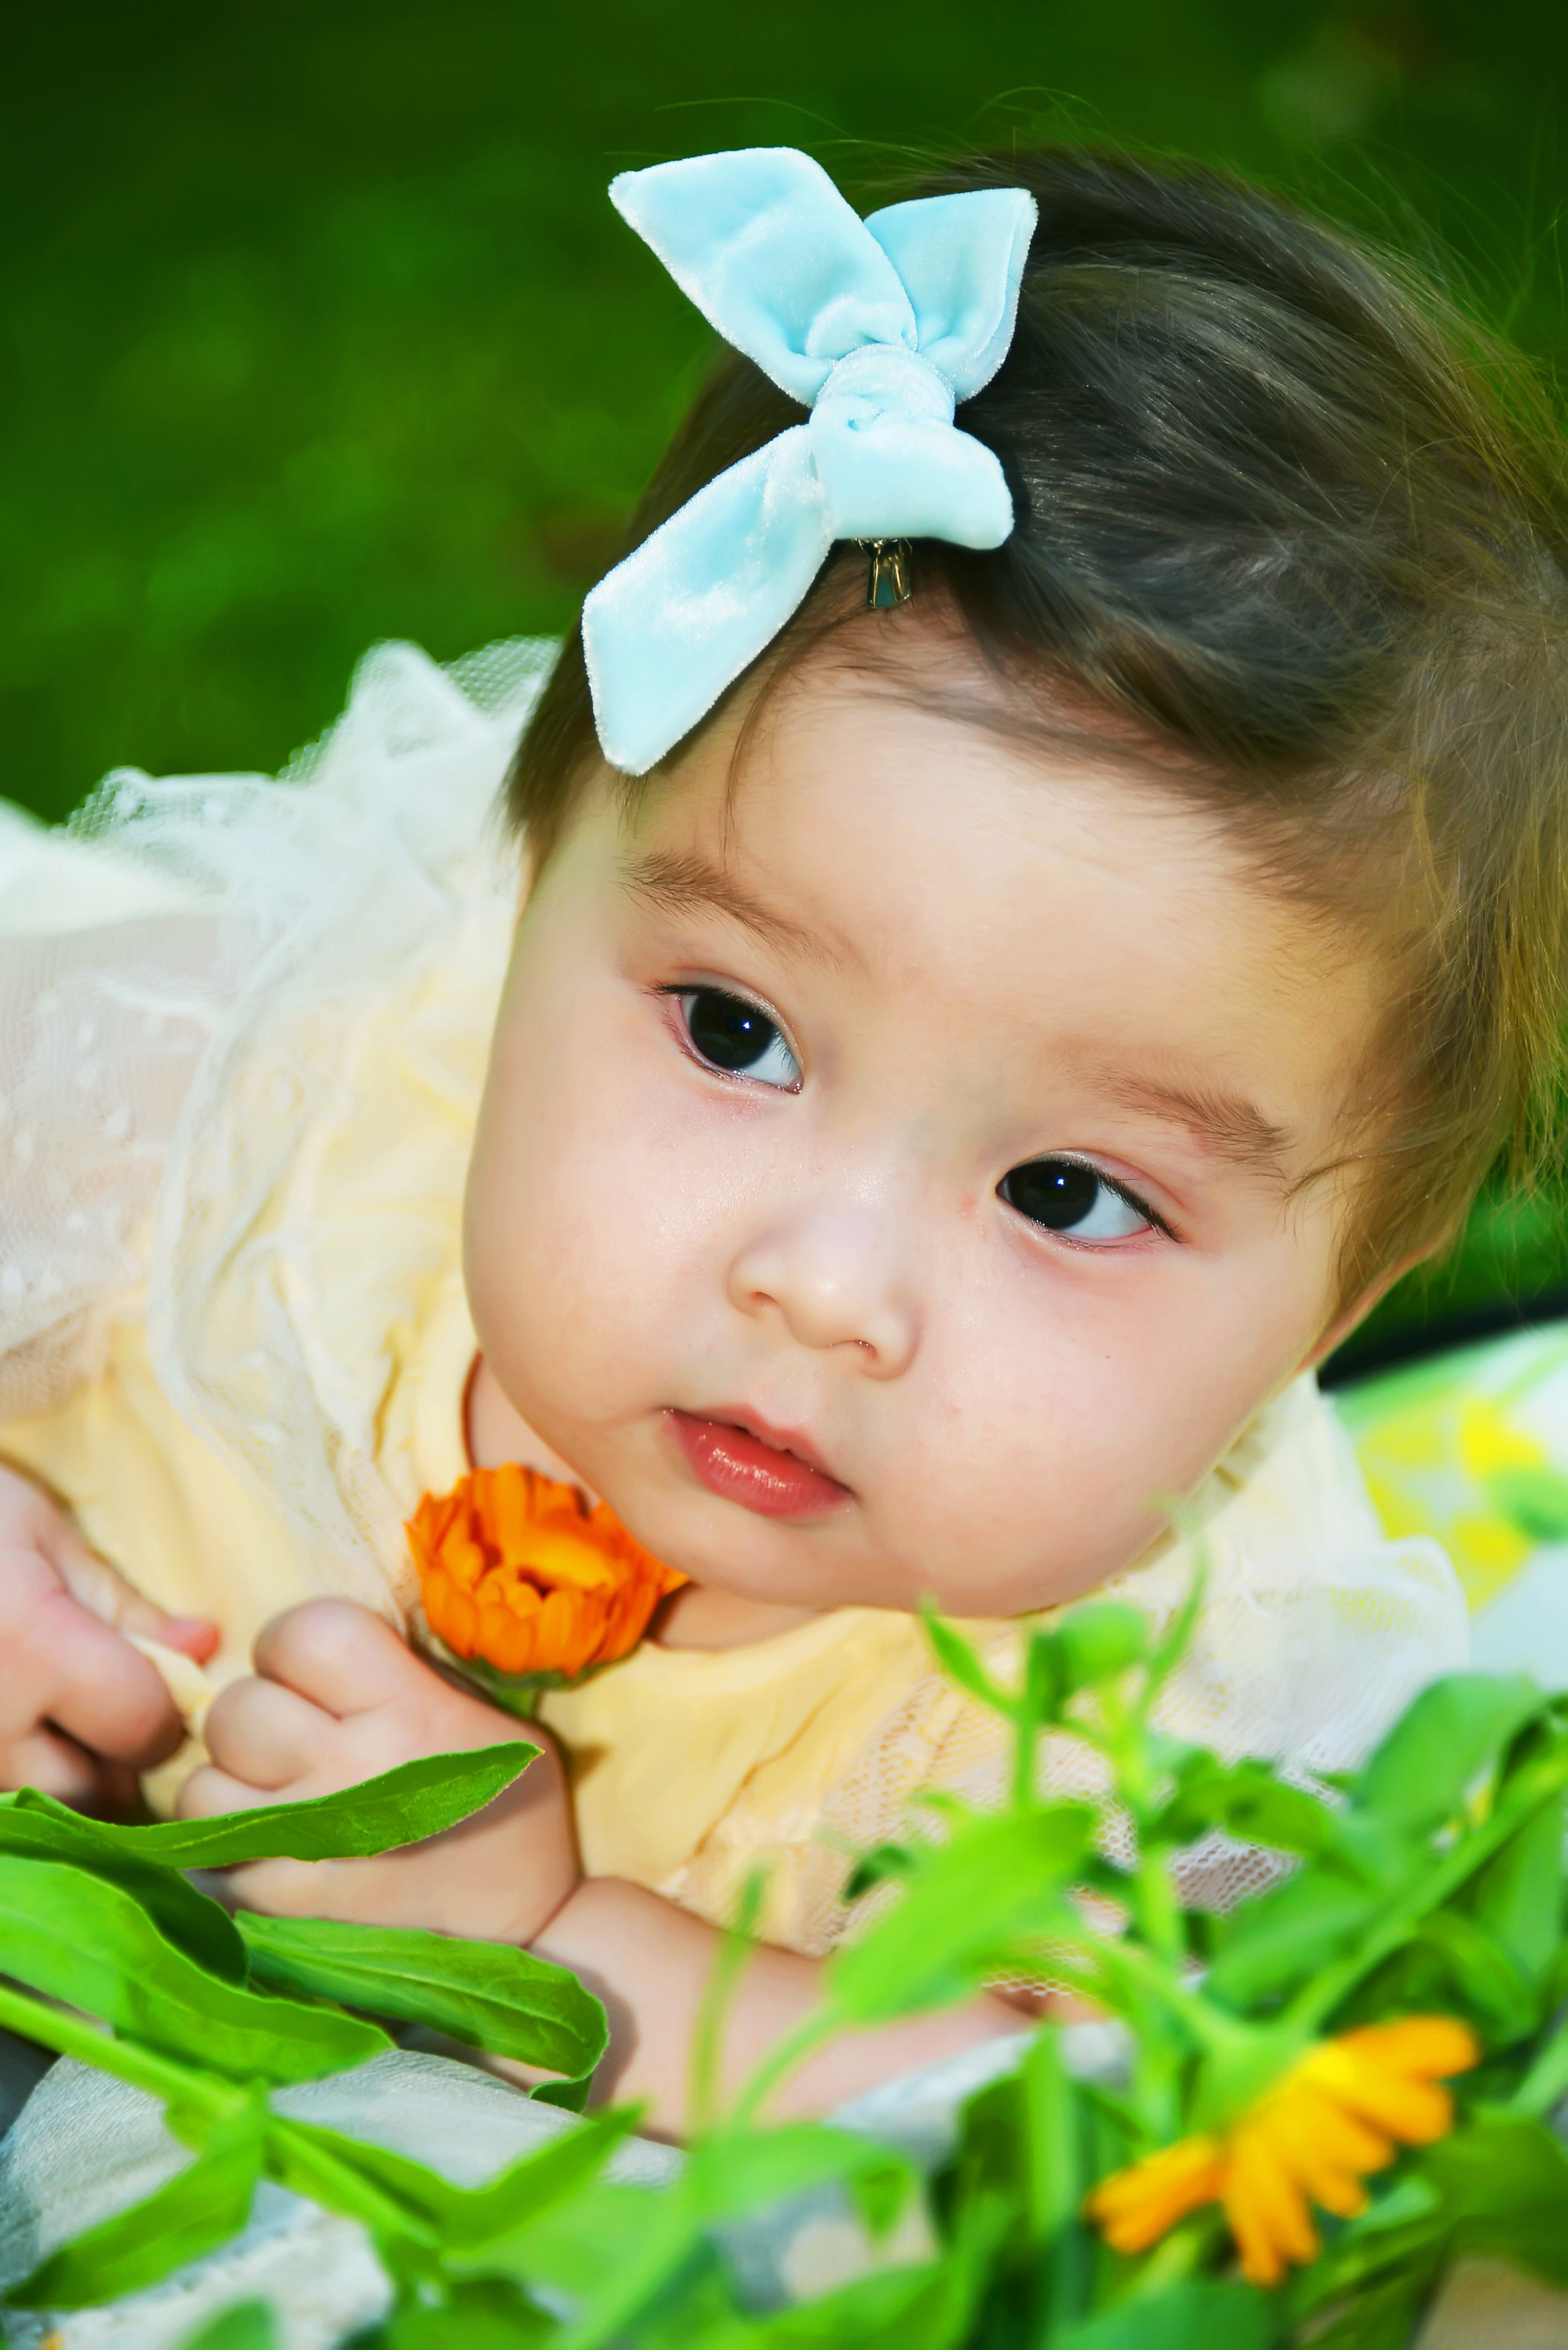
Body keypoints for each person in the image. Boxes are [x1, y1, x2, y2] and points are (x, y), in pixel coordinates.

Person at [2, 142, 1565, 2136]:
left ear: (1345, 1304)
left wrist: (562, 1937)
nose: (824, 1288)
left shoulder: (1125, 1726)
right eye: (737, 1033)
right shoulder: (274, 1105)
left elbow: (1082, 2113)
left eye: (1068, 1194)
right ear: (533, 878)